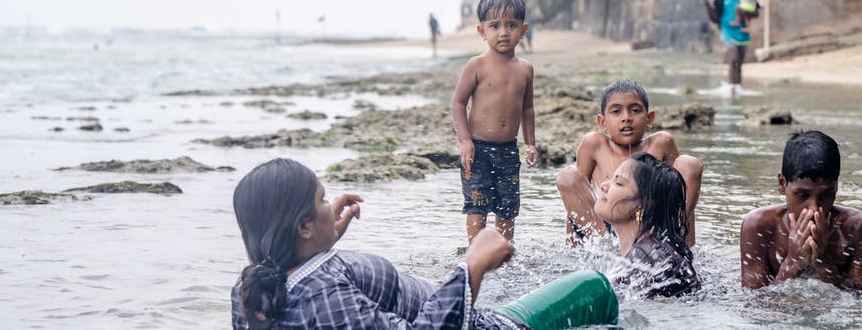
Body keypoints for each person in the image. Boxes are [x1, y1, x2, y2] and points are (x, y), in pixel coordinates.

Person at [230, 158, 618, 329]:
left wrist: (323, 235)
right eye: (320, 201)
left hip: (306, 247)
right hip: (483, 327)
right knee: (594, 286)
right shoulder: (325, 294)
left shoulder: (250, 292)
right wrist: (472, 267)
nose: (329, 206)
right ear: (302, 226)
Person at [555, 79, 704, 247]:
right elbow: (577, 199)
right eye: (616, 111)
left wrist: (688, 243)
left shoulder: (661, 143)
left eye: (635, 110)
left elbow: (681, 194)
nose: (626, 118)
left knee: (689, 163)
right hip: (605, 230)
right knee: (568, 176)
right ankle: (607, 251)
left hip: (652, 228)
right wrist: (572, 244)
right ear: (602, 122)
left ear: (649, 118)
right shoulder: (594, 144)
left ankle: (673, 242)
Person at [739, 130, 862, 291]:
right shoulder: (758, 225)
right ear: (782, 184)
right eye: (803, 195)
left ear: (837, 187)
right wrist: (793, 261)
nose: (814, 208)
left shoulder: (857, 226)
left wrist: (822, 260)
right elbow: (753, 305)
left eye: (826, 195)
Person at [452, 0, 538, 243]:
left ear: (523, 30)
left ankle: (503, 251)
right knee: (476, 204)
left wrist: (530, 143)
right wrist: (465, 141)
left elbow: (527, 109)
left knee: (508, 206)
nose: (503, 32)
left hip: (509, 151)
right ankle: (475, 253)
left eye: (511, 25)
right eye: (495, 25)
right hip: (477, 151)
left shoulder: (525, 69)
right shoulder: (476, 65)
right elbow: (458, 103)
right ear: (482, 31)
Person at [594, 153, 700, 298]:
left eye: (619, 183)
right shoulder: (650, 250)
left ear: (643, 205)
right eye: (611, 179)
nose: (604, 186)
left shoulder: (643, 260)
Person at [704, 0, 755, 91]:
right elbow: (715, 18)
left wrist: (746, 11)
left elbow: (754, 11)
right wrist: (708, 7)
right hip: (728, 33)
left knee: (739, 63)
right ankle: (732, 87)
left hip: (742, 33)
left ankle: (738, 88)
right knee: (733, 59)